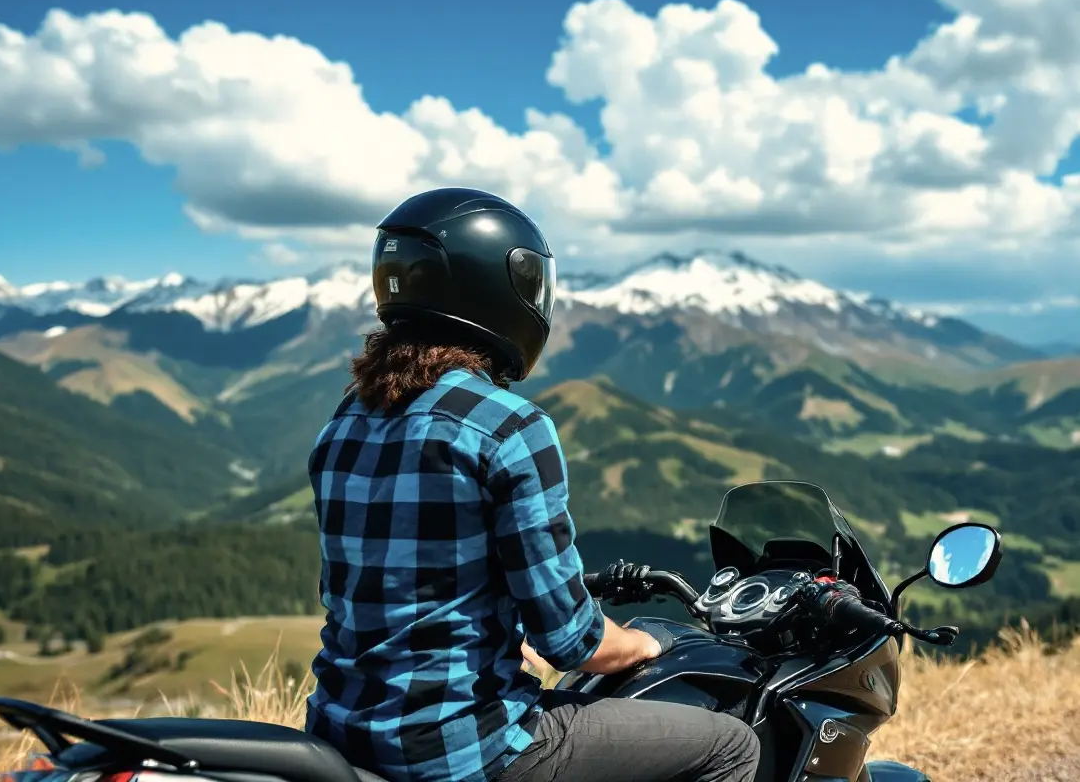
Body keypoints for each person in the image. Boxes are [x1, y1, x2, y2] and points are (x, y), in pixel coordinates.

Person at [304, 187, 761, 782]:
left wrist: (493, 633)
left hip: (342, 733)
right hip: (465, 748)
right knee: (731, 746)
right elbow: (572, 641)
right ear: (499, 289)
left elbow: (376, 595)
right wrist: (644, 644)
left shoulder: (347, 419)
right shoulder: (510, 428)